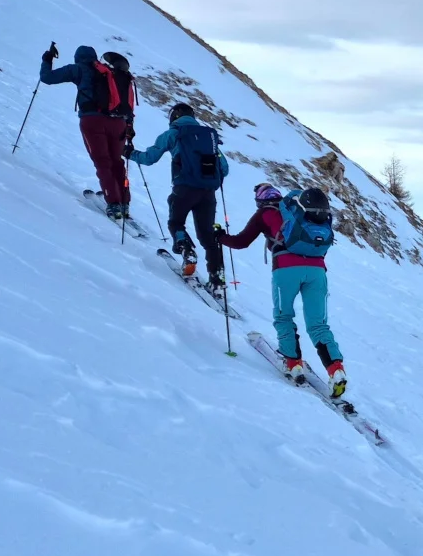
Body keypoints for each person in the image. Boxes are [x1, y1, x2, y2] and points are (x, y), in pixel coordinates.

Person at [218, 183, 347, 395]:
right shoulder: (301, 212)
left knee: (284, 316)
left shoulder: (264, 214)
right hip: (317, 271)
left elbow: (241, 242)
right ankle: (336, 369)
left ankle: (293, 363)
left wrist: (220, 236)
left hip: (286, 270)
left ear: (260, 200)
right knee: (318, 324)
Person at [129, 102, 229, 291]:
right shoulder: (210, 137)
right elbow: (224, 168)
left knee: (176, 223)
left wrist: (130, 153)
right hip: (208, 193)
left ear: (173, 117)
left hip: (184, 189)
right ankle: (217, 278)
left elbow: (150, 158)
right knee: (208, 235)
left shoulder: (174, 133)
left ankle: (187, 250)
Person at [39, 43, 132, 222]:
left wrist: (47, 59)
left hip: (93, 121)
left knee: (102, 163)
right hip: (118, 122)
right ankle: (124, 203)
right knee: (117, 162)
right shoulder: (110, 72)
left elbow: (47, 78)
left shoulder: (78, 69)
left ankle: (113, 204)